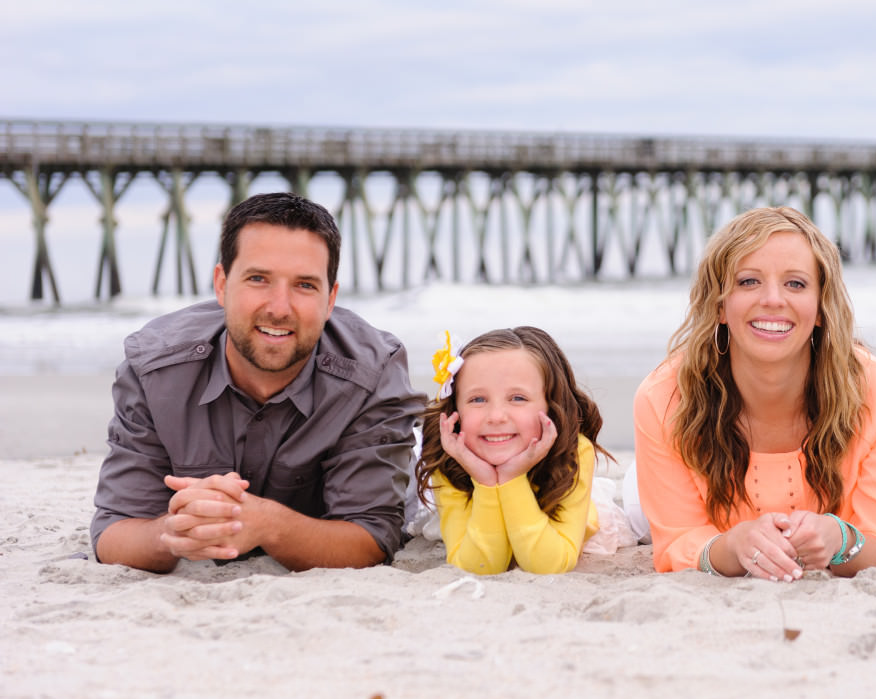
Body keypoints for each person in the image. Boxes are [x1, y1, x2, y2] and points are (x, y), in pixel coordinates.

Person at [90, 192, 423, 573]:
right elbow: (112, 533)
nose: (279, 308)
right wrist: (174, 532)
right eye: (258, 279)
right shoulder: (155, 368)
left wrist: (266, 524)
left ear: (330, 299)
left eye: (305, 285)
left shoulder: (373, 372)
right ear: (221, 284)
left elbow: (372, 539)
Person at [633, 207, 876, 581]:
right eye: (748, 281)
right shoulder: (664, 399)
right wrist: (733, 546)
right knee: (634, 516)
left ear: (820, 309)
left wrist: (839, 537)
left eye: (795, 284)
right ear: (720, 304)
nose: (772, 299)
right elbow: (676, 544)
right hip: (661, 489)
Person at [415, 326, 613, 574]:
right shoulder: (449, 456)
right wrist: (486, 481)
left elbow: (549, 565)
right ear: (456, 409)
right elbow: (479, 566)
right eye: (478, 399)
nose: (496, 416)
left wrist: (512, 478)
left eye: (518, 398)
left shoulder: (572, 452)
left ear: (552, 406)